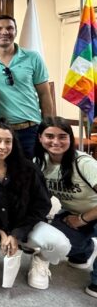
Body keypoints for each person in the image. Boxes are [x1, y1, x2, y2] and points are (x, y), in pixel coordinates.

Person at [0, 119, 70, 289]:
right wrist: (1, 233)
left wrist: (16, 234)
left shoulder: (29, 168)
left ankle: (41, 260)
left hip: (25, 224)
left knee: (62, 245)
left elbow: (42, 205)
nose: (3, 146)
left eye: (8, 141)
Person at [0, 15, 54, 158]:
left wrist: (48, 127)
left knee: (31, 171)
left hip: (30, 130)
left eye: (10, 28)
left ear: (15, 32)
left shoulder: (33, 57)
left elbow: (44, 94)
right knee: (1, 172)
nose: (5, 32)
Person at [34, 117, 97, 297]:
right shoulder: (39, 163)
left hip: (89, 214)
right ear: (40, 138)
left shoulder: (84, 163)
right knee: (54, 241)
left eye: (62, 136)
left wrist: (82, 220)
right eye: (49, 136)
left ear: (70, 138)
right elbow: (39, 199)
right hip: (72, 214)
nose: (56, 142)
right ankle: (84, 250)